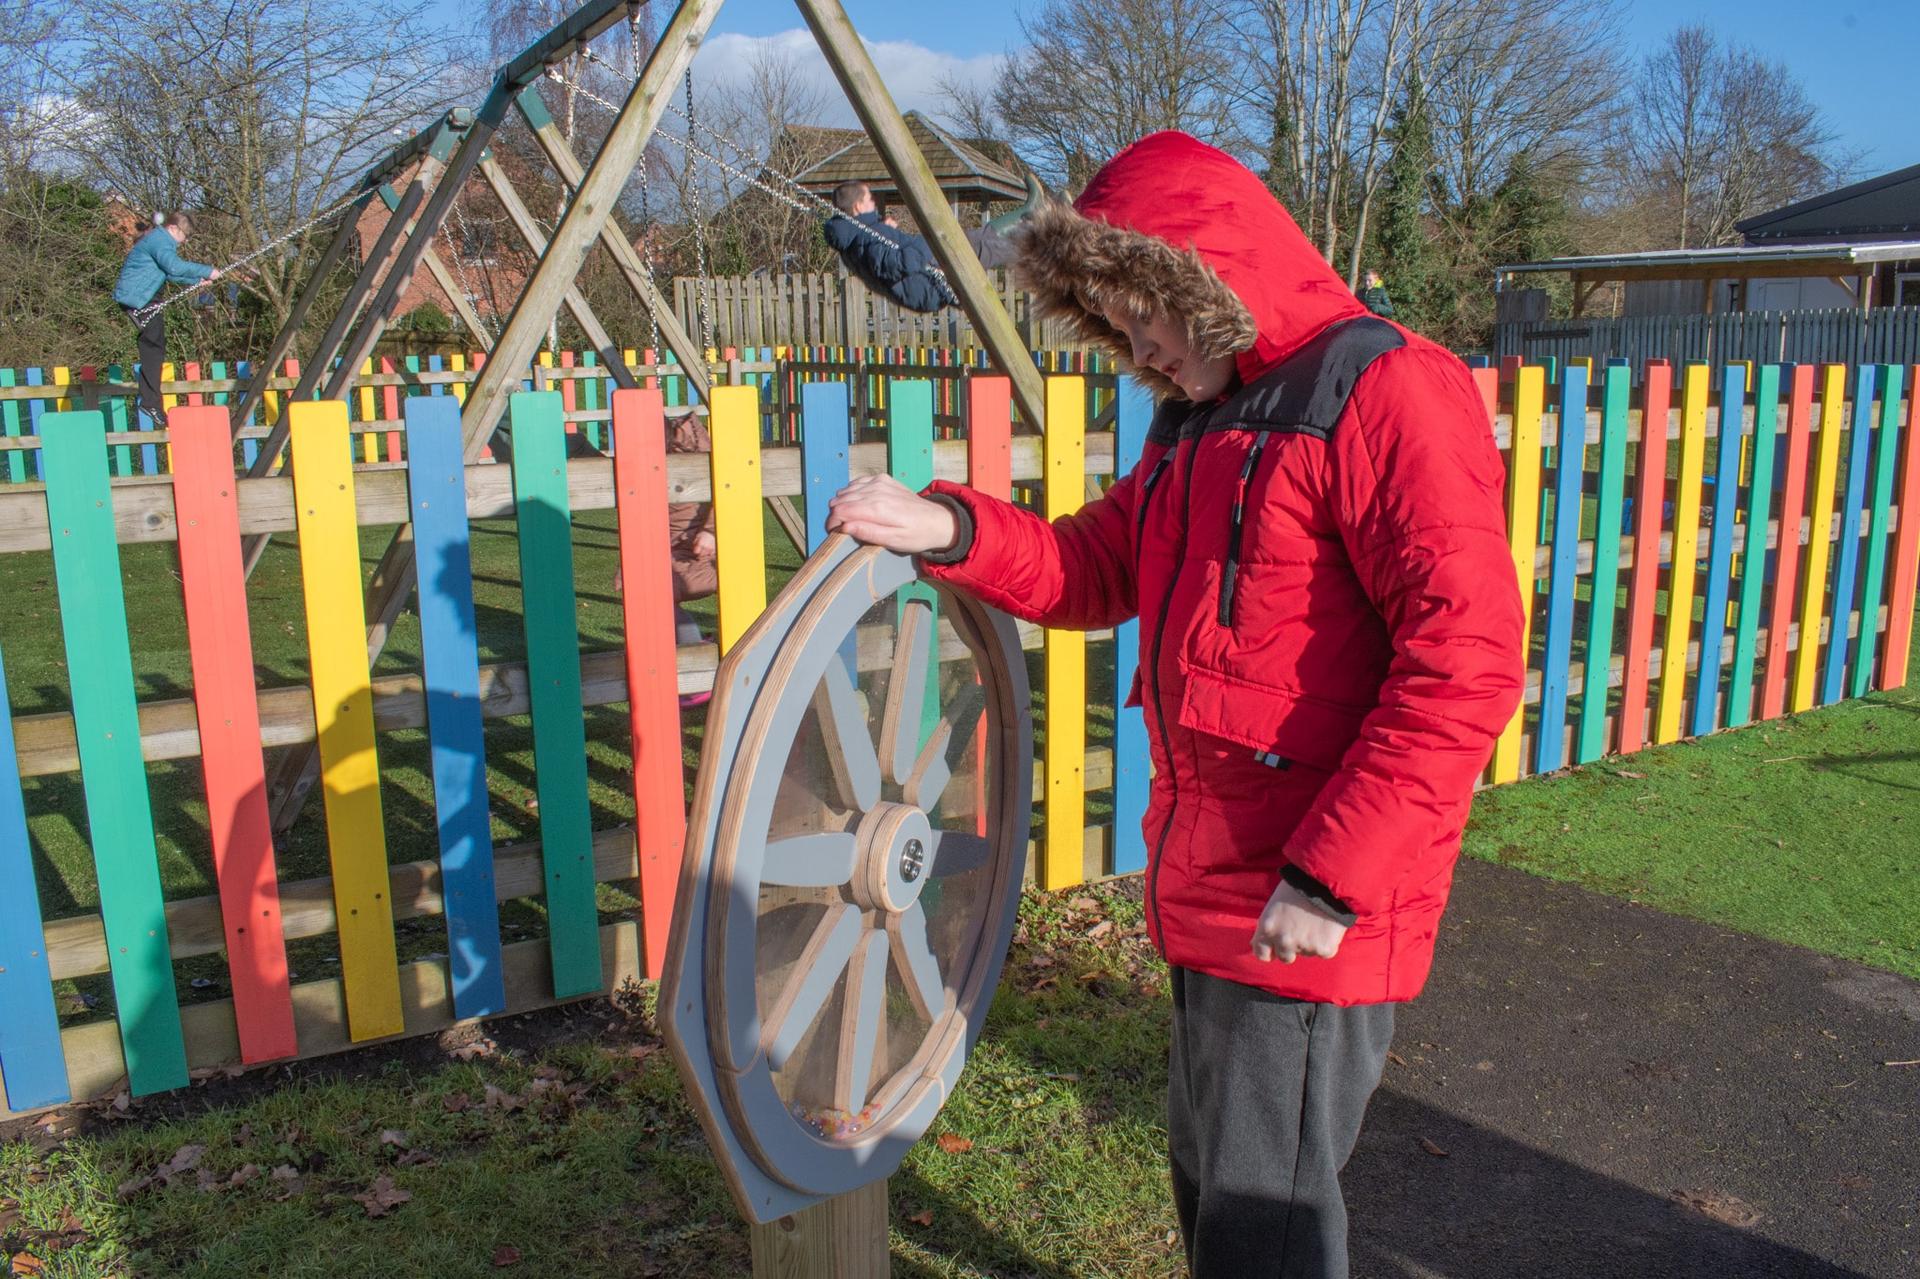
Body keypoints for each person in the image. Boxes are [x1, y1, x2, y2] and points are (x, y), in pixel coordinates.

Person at [826, 131, 1524, 1278]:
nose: (1132, 343)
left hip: (1303, 894)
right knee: (1214, 1186)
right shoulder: (1200, 416)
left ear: (1199, 279)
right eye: (1109, 319)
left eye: (1140, 311)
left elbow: (1468, 655)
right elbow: (1098, 564)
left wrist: (1330, 875)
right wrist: (950, 527)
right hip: (1210, 882)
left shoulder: (1383, 387)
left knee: (1266, 1223)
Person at [821, 180, 1034, 312]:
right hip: (929, 284)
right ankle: (1045, 239)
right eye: (870, 200)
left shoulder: (857, 234)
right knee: (987, 249)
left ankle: (1031, 211)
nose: (874, 204)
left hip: (924, 276)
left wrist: (884, 228)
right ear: (858, 206)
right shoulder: (865, 238)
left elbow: (883, 254)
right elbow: (898, 264)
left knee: (975, 236)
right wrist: (931, 240)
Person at [113, 212, 220, 428]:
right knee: (153, 347)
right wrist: (208, 270)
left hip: (144, 297)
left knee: (154, 346)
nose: (185, 241)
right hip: (140, 298)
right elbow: (173, 267)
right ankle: (150, 402)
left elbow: (169, 274)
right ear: (173, 228)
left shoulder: (159, 241)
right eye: (185, 235)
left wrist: (196, 281)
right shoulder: (160, 240)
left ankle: (150, 400)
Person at [664, 408, 718, 709]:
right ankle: (695, 651)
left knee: (654, 595)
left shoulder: (697, 455)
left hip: (697, 558)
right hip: (680, 553)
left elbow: (724, 494)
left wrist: (710, 532)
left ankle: (696, 661)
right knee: (655, 599)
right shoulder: (680, 454)